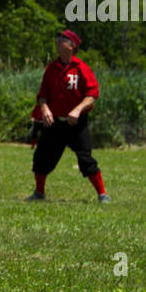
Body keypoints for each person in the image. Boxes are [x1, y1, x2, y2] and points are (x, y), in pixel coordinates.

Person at [26, 29, 109, 203]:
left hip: (76, 124)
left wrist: (77, 110)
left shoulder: (81, 68)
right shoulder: (51, 68)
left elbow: (93, 94)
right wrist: (45, 109)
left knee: (85, 159)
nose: (57, 41)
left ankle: (102, 194)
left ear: (72, 45)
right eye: (57, 38)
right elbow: (42, 96)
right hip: (54, 122)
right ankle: (39, 193)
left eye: (62, 39)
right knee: (41, 157)